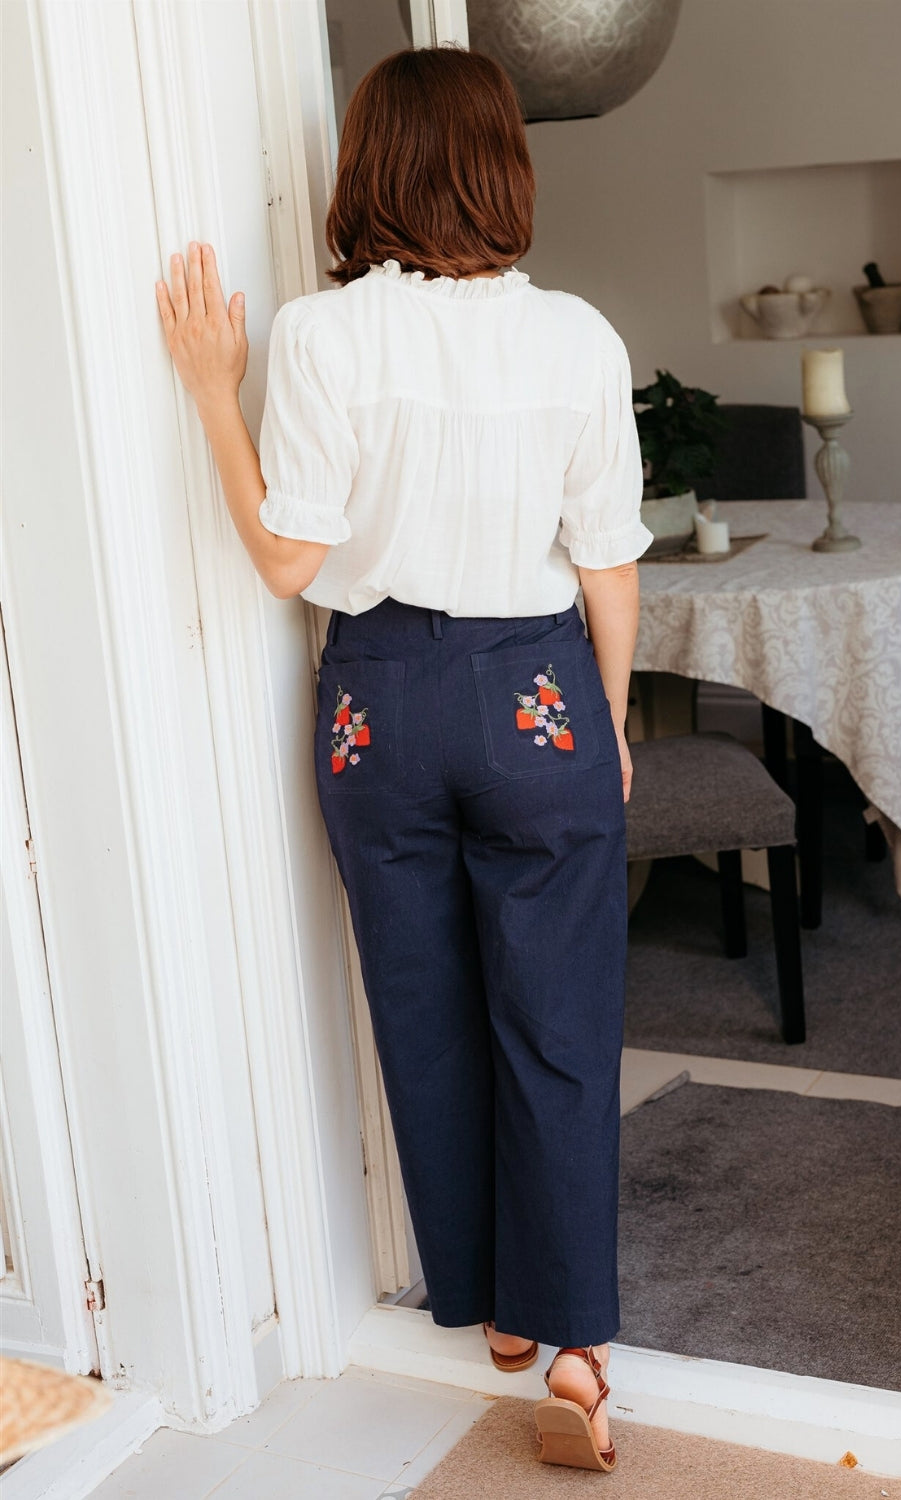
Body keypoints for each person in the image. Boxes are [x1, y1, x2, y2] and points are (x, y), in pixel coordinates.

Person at [155, 44, 652, 1475]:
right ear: (506, 165)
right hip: (535, 688)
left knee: (421, 1007)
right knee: (555, 1021)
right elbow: (608, 563)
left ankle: (490, 1307)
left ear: (366, 167)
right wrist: (604, 722)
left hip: (377, 701)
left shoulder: (318, 338)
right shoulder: (576, 337)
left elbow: (284, 560)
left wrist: (210, 391)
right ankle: (573, 1352)